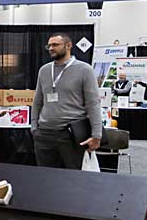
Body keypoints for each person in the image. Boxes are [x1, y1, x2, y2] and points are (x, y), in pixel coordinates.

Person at [31, 33, 101, 169]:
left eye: (55, 45)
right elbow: (37, 101)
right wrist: (34, 127)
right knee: (46, 179)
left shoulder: (84, 70)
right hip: (44, 134)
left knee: (72, 179)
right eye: (49, 45)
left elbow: (93, 104)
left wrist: (97, 134)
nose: (51, 48)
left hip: (70, 135)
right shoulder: (44, 70)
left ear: (68, 46)